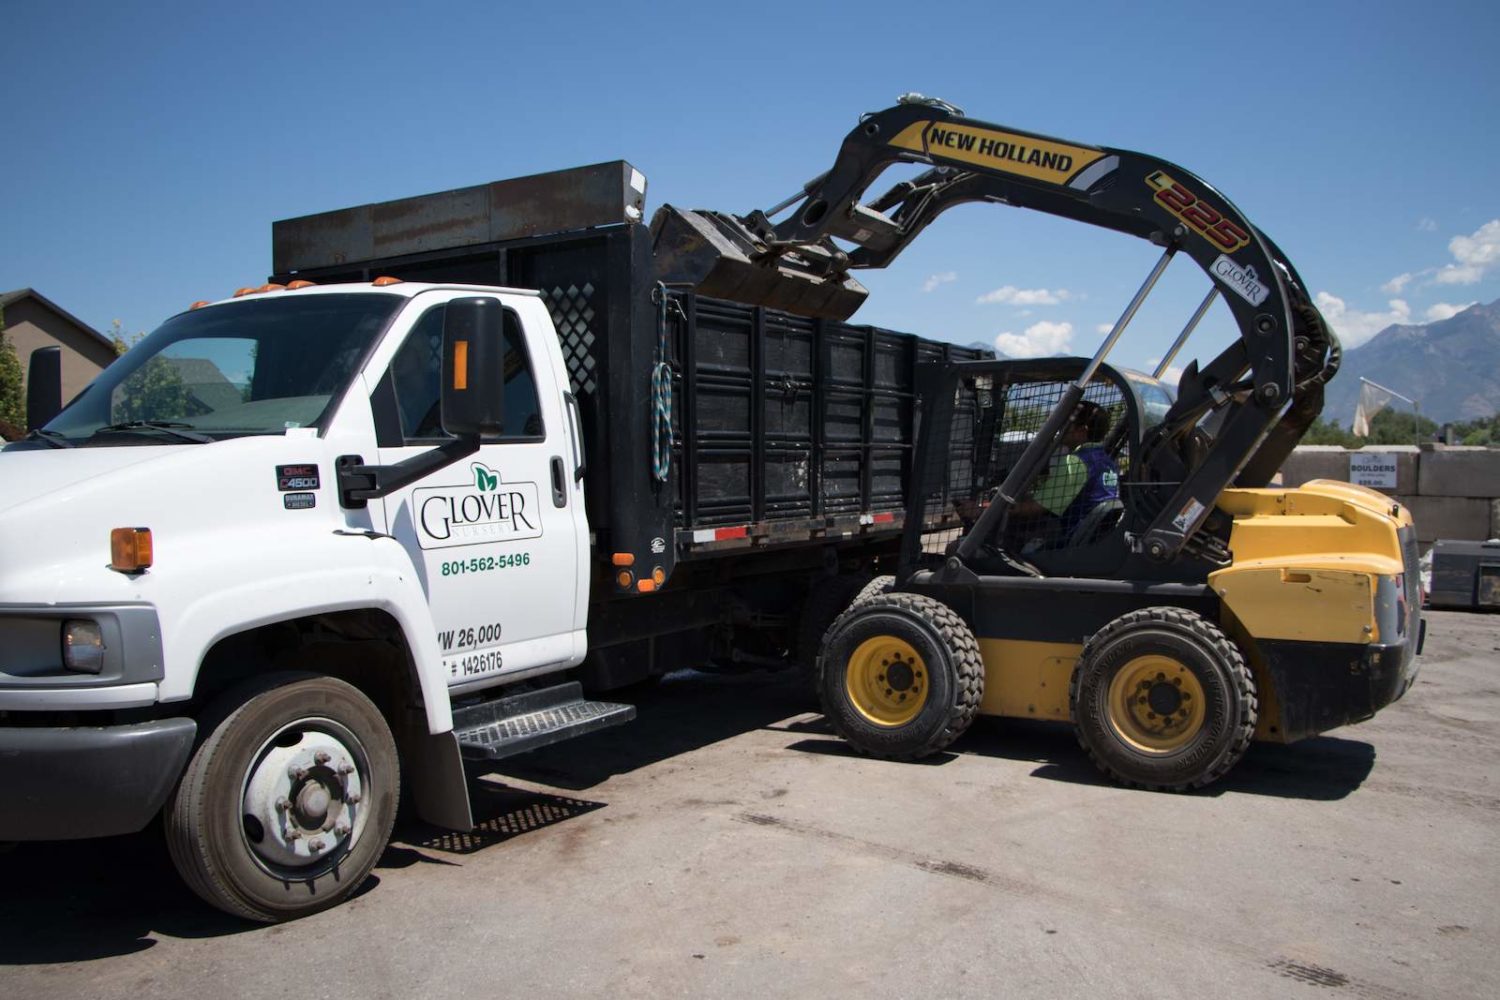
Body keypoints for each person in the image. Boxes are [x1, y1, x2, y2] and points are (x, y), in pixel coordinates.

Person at [1006, 401, 1120, 551]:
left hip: (1069, 543)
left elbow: (1035, 508)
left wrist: (989, 510)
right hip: (1093, 542)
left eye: (1066, 425)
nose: (1060, 429)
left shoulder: (1075, 461)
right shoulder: (1107, 461)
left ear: (1081, 430)